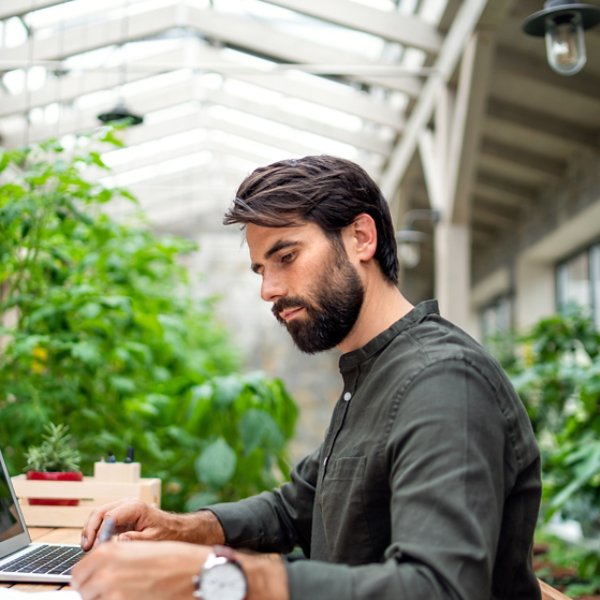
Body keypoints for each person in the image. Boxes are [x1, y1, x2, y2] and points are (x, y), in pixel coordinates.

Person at [72, 155, 542, 600]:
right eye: (261, 269)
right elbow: (298, 505)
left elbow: (438, 588)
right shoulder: (375, 371)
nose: (268, 290)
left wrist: (224, 575)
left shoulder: (442, 383)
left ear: (361, 237)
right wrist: (178, 528)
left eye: (287, 257)